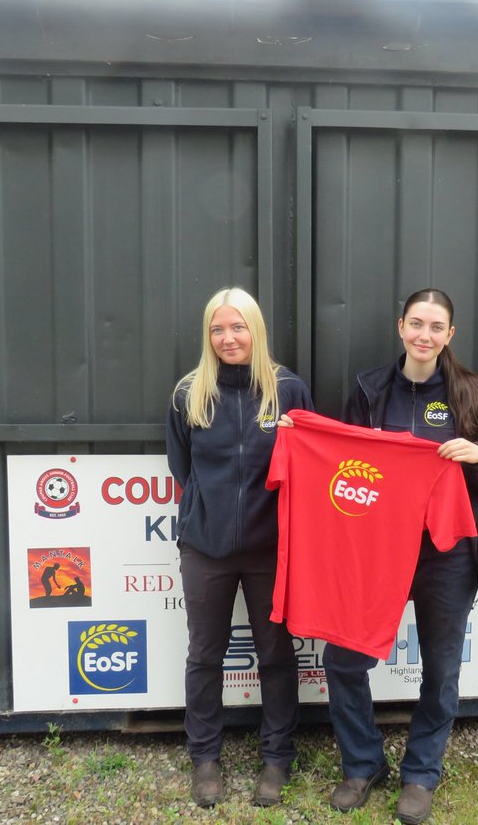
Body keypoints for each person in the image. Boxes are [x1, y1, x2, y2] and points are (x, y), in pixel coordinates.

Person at [323, 288, 478, 825]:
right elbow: (341, 462)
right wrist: (301, 438)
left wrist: (476, 455)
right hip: (377, 551)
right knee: (342, 659)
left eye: (436, 327)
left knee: (442, 668)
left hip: (447, 552)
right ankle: (362, 763)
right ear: (399, 326)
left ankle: (422, 773)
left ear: (450, 335)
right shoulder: (369, 389)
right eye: (416, 324)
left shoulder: (470, 390)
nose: (424, 335)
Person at [166, 286, 314, 809]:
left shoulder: (288, 390)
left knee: (275, 654)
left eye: (238, 327)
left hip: (271, 550)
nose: (228, 338)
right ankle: (204, 758)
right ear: (208, 335)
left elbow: (308, 466)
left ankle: (277, 757)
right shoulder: (189, 393)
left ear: (256, 329)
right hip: (204, 548)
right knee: (205, 655)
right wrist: (210, 516)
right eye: (217, 329)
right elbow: (183, 468)